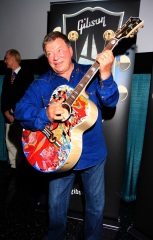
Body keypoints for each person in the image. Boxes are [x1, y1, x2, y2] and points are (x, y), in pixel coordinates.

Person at [14, 31, 119, 240]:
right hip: (57, 154)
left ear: (70, 50)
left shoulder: (91, 72)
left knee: (95, 207)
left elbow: (110, 102)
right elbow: (20, 110)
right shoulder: (41, 83)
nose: (55, 56)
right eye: (49, 53)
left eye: (60, 50)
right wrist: (45, 113)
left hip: (92, 153)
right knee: (55, 208)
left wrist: (106, 73)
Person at [1, 49, 34, 212]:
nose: (4, 60)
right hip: (9, 117)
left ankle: (23, 173)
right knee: (9, 142)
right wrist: (6, 111)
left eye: (6, 58)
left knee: (22, 145)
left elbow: (26, 97)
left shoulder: (27, 75)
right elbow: (4, 96)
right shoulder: (8, 76)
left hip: (21, 118)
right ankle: (13, 169)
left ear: (14, 58)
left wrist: (15, 112)